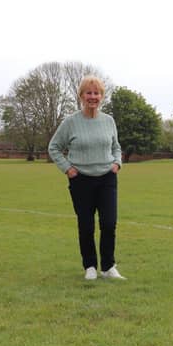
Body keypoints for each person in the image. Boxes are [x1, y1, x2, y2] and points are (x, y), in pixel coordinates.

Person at [48, 76, 126, 281]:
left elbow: (116, 146)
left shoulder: (108, 121)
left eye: (97, 93)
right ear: (81, 96)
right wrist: (67, 169)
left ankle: (108, 267)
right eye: (89, 93)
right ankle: (90, 266)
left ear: (102, 97)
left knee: (109, 223)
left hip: (107, 178)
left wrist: (116, 163)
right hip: (81, 180)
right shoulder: (71, 122)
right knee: (86, 225)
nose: (93, 97)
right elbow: (54, 147)